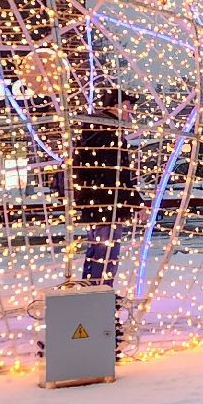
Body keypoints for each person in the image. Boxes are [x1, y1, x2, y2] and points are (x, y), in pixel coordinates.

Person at [71, 90, 141, 286]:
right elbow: (117, 175)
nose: (130, 113)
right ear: (118, 106)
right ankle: (100, 296)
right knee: (106, 254)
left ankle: (91, 294)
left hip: (93, 203)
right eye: (128, 106)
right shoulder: (109, 134)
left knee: (96, 251)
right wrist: (137, 202)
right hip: (108, 204)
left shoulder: (93, 131)